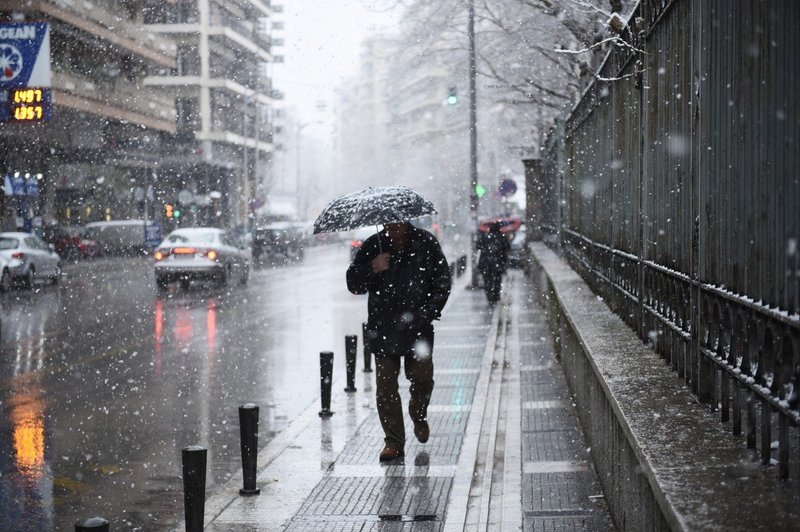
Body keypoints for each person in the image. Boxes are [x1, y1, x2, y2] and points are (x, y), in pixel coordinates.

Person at [347, 221, 451, 462]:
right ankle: (393, 441)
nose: (392, 227)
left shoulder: (425, 243)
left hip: (417, 328)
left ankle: (419, 413)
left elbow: (442, 279)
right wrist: (373, 267)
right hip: (384, 328)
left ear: (406, 220)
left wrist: (428, 311)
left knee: (423, 379)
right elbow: (353, 283)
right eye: (388, 223)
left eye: (397, 223)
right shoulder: (375, 245)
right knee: (386, 389)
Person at [478, 221, 509, 303]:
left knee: (487, 280)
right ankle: (496, 295)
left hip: (485, 262)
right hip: (498, 262)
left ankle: (489, 295)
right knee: (497, 280)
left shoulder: (485, 237)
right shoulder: (501, 237)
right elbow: (507, 248)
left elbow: (478, 246)